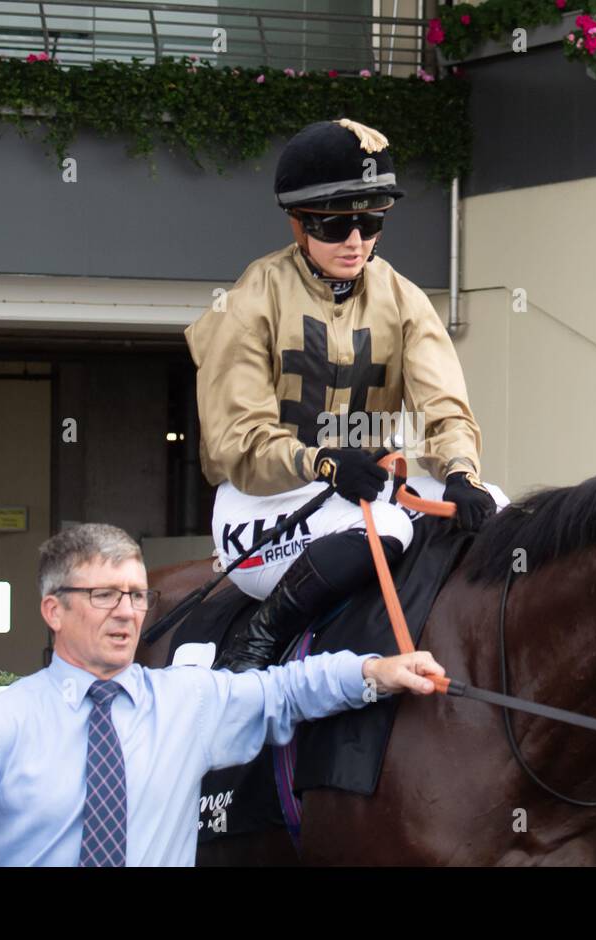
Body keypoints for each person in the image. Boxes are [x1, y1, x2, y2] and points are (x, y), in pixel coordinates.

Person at [0, 523, 443, 866]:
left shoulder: (187, 702)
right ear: (54, 610)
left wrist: (375, 672)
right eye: (105, 595)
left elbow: (283, 691)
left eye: (135, 595)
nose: (127, 612)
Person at [184, 117, 507, 673]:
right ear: (299, 224)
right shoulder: (247, 302)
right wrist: (323, 463)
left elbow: (445, 410)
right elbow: (232, 445)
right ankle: (257, 641)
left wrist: (460, 472)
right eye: (336, 226)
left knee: (501, 511)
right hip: (265, 503)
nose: (356, 241)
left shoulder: (405, 299)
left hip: (370, 487)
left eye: (370, 219)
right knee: (385, 529)